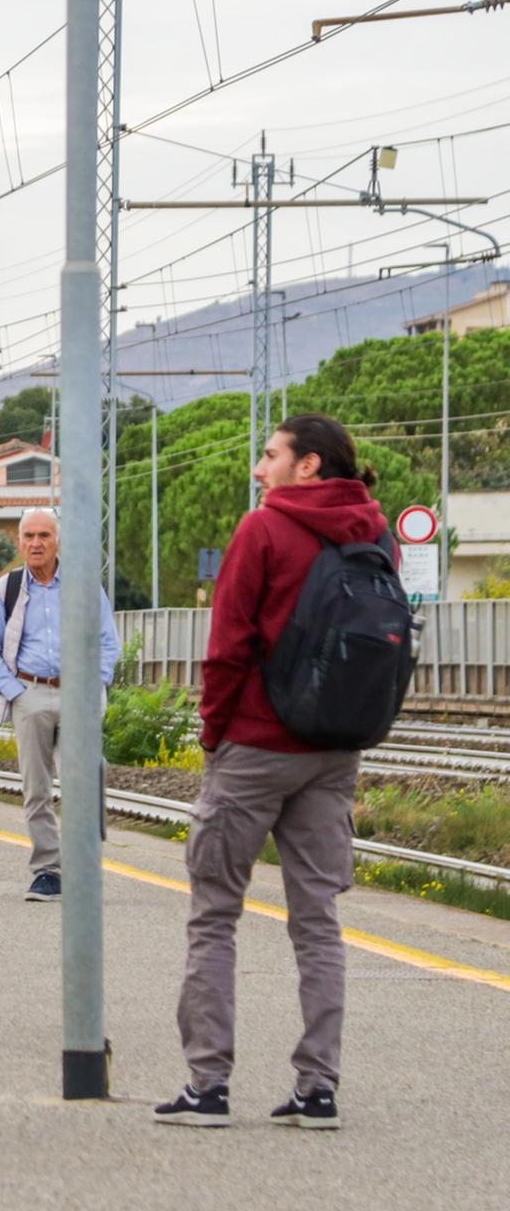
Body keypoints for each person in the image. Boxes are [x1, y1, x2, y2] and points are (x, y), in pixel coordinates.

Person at [156, 415, 387, 1131]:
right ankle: (318, 1088)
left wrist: (214, 736)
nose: (259, 471)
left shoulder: (262, 530)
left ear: (308, 465)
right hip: (334, 750)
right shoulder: (375, 534)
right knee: (318, 923)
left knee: (214, 916)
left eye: (269, 456)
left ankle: (207, 1085)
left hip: (256, 747)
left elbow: (226, 649)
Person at [0, 509, 119, 902]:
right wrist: (16, 693)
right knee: (36, 788)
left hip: (78, 693)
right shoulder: (7, 589)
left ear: (58, 541)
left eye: (44, 535)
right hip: (29, 693)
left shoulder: (84, 586)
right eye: (28, 536)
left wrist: (95, 685)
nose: (35, 543)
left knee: (82, 786)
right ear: (19, 542)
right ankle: (47, 872)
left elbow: (108, 642)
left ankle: (83, 868)